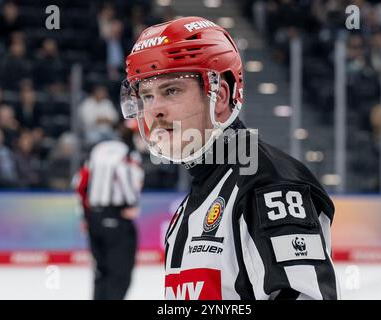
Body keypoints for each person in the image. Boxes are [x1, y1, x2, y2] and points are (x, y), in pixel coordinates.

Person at [120, 16, 338, 300]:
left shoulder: (269, 183)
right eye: (147, 96)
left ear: (220, 97)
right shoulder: (197, 196)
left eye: (171, 90)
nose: (154, 110)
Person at [74, 128, 144, 300]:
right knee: (120, 274)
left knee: (101, 271)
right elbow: (128, 178)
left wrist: (85, 215)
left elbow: (80, 183)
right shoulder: (127, 153)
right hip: (117, 217)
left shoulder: (96, 151)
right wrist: (132, 203)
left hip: (95, 218)